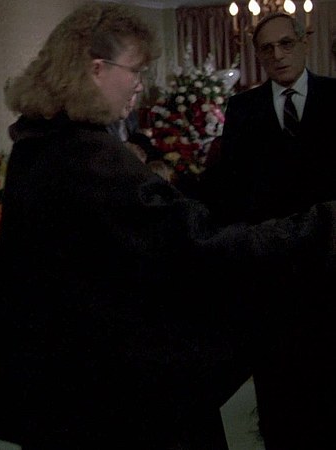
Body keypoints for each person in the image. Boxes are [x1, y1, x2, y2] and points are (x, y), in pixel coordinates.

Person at [0, 3, 336, 449]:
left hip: (64, 387)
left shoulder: (40, 143)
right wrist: (324, 224)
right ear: (96, 69)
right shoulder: (86, 158)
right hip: (107, 397)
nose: (141, 84)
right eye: (136, 70)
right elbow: (196, 243)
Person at [198, 12, 336, 449]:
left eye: (286, 44)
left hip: (330, 265)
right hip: (272, 274)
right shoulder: (243, 108)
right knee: (278, 392)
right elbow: (230, 188)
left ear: (303, 44)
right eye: (267, 48)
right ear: (258, 56)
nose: (277, 55)